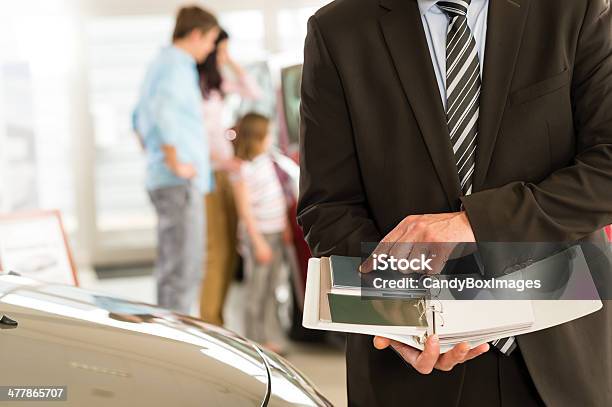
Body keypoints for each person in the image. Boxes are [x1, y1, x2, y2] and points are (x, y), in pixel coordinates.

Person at [297, 0, 612, 406]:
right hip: (412, 369)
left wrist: (474, 224)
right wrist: (394, 317)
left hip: (563, 357)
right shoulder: (337, 29)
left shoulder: (572, 8)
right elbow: (327, 206)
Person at [133, 6, 219, 315]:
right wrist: (174, 161)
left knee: (173, 268)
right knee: (183, 271)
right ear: (195, 35)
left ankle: (168, 336)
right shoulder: (177, 66)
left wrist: (157, 156)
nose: (210, 49)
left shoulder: (160, 63)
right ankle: (177, 347)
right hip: (178, 181)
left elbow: (137, 119)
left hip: (166, 179)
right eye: (210, 40)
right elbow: (163, 113)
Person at [197, 29, 261, 326]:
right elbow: (198, 138)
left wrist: (230, 59)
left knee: (228, 251)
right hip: (211, 175)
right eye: (219, 49)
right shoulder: (197, 88)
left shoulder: (216, 84)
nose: (221, 54)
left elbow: (253, 91)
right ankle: (211, 320)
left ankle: (216, 319)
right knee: (218, 250)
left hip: (225, 173)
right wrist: (224, 160)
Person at [232, 113, 289, 353]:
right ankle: (253, 343)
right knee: (256, 291)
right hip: (260, 237)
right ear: (256, 138)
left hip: (275, 232)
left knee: (271, 288)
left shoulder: (266, 161)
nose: (271, 139)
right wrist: (257, 243)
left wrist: (284, 225)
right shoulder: (243, 170)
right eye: (267, 135)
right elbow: (244, 210)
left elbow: (276, 195)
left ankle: (270, 338)